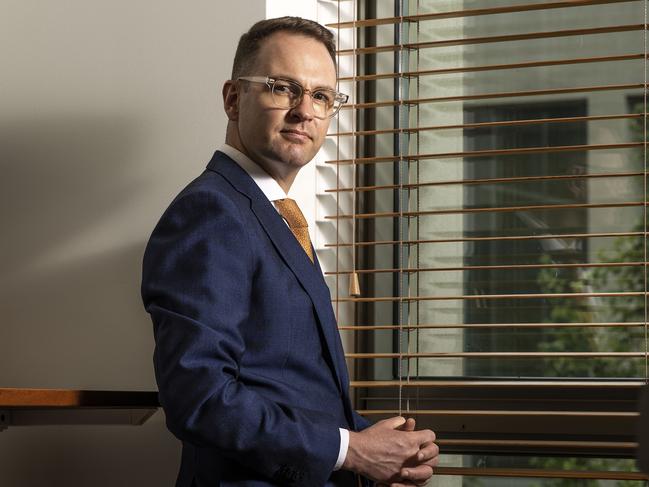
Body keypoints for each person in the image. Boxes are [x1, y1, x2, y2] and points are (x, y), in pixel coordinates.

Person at [141, 16, 439, 487]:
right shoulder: (210, 213)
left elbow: (283, 386)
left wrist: (378, 447)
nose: (305, 110)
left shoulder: (274, 213)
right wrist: (351, 451)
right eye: (282, 88)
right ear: (233, 98)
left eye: (321, 96)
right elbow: (198, 398)